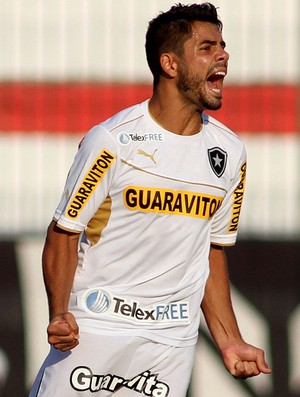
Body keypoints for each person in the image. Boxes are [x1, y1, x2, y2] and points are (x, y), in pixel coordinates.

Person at [29, 3, 272, 396]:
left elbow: (209, 251)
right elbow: (64, 231)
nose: (223, 55)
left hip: (168, 342)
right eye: (207, 47)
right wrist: (59, 313)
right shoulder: (112, 140)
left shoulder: (230, 152)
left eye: (223, 46)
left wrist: (229, 339)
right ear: (170, 64)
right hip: (97, 327)